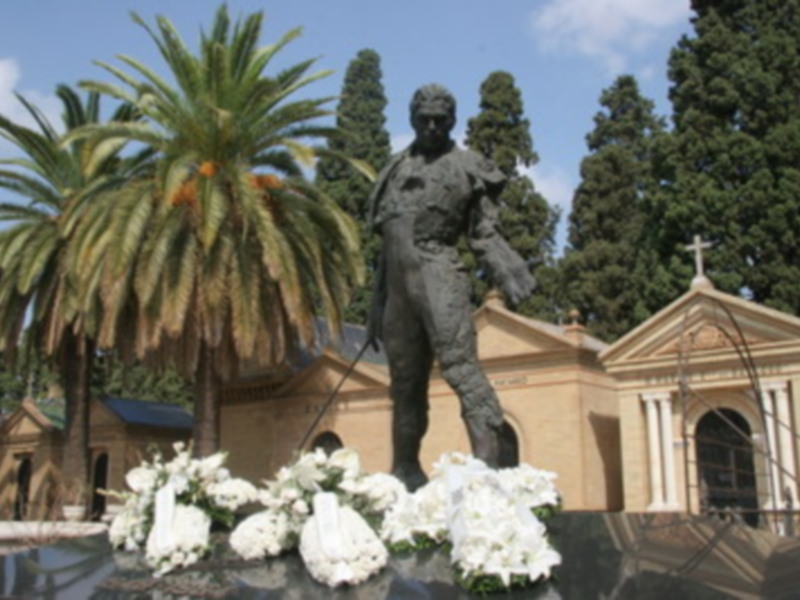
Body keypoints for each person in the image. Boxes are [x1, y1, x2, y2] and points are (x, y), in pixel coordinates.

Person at [367, 84, 535, 490]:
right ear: (411, 117)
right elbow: (386, 249)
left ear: (452, 120)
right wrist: (376, 305)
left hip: (438, 269)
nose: (431, 126)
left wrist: (508, 269)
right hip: (396, 289)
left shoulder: (468, 166)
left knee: (461, 369)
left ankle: (488, 472)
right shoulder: (393, 169)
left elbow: (484, 234)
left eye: (440, 120)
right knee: (404, 386)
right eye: (423, 118)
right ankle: (405, 471)